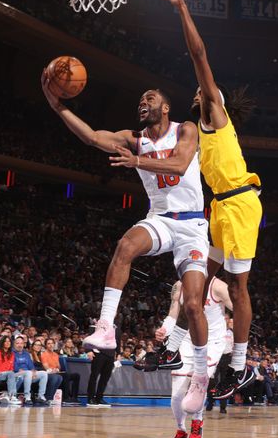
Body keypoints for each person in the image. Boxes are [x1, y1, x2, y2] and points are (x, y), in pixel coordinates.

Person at [42, 65, 210, 413]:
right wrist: (57, 105)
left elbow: (179, 166)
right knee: (125, 246)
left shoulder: (185, 129)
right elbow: (90, 136)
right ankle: (105, 328)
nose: (142, 103)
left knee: (193, 304)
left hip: (193, 225)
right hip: (161, 220)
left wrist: (136, 161)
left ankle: (201, 375)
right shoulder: (134, 138)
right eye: (140, 101)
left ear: (165, 108)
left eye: (150, 99)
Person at [160, 0, 262, 400]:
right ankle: (173, 346)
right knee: (196, 281)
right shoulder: (196, 132)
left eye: (204, 90)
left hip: (239, 204)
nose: (198, 92)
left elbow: (199, 54)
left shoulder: (215, 113)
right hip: (220, 207)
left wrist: (183, 7)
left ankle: (239, 365)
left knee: (237, 287)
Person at [157, 278, 231, 438]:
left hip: (212, 342)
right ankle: (181, 429)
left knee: (198, 382)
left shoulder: (218, 287)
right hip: (185, 339)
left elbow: (241, 308)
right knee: (177, 393)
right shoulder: (179, 285)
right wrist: (165, 329)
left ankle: (197, 421)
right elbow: (174, 312)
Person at [87, 326, 120, 408]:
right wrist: (89, 350)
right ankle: (90, 398)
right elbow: (89, 338)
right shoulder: (97, 324)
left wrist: (118, 353)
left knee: (105, 378)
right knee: (94, 376)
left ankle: (99, 398)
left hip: (111, 355)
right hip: (98, 353)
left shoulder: (115, 327)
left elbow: (117, 340)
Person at [12, 335, 49, 406]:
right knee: (28, 373)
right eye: (17, 343)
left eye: (21, 343)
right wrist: (19, 370)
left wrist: (33, 371)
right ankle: (27, 397)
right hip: (16, 374)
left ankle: (40, 396)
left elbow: (30, 364)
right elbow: (12, 365)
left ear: (24, 344)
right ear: (14, 344)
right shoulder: (12, 353)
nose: (19, 345)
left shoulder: (26, 353)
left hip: (27, 374)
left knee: (43, 373)